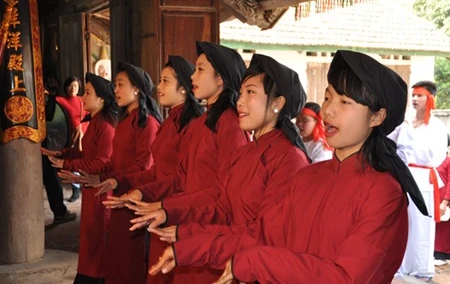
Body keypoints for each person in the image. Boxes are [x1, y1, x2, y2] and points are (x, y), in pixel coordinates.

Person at [149, 50, 428, 284]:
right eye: (329, 97)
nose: (329, 110)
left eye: (345, 102)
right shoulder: (309, 177)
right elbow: (263, 234)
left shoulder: (383, 192)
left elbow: (343, 277)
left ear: (377, 116)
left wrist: (255, 261)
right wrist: (190, 247)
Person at [130, 53, 310, 272]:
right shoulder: (245, 152)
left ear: (278, 103)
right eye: (241, 92)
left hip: (249, 266)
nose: (241, 101)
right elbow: (222, 207)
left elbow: (266, 236)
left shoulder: (289, 159)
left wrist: (195, 244)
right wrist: (175, 220)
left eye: (251, 92)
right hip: (227, 255)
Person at [115, 41, 249, 284]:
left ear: (220, 79)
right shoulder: (200, 124)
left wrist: (168, 208)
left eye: (200, 69)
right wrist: (142, 192)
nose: (192, 76)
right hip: (186, 222)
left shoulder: (230, 125)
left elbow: (225, 195)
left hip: (207, 231)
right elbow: (180, 178)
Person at [102, 55, 204, 284]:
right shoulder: (170, 121)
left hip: (176, 209)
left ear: (184, 89)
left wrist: (142, 192)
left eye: (166, 81)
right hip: (159, 206)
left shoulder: (192, 125)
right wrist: (123, 184)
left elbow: (181, 178)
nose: (159, 86)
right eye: (160, 80)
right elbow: (156, 171)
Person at [59, 62, 161, 284]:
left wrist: (114, 179)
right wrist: (96, 177)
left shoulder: (148, 124)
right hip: (118, 198)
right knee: (116, 259)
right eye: (114, 84)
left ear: (136, 89)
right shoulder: (124, 122)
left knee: (131, 262)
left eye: (120, 84)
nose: (115, 90)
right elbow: (113, 163)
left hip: (135, 201)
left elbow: (145, 167)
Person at [43, 72, 118, 284]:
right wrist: (64, 154)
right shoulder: (95, 123)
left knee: (96, 244)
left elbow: (102, 163)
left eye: (88, 93)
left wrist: (69, 164)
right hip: (91, 190)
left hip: (101, 193)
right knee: (89, 242)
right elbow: (88, 156)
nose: (83, 98)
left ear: (101, 99)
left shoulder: (106, 127)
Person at [389, 81, 448, 281]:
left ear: (429, 99)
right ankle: (400, 265)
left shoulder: (437, 127)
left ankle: (422, 268)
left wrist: (410, 149)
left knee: (422, 224)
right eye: (413, 95)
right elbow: (392, 144)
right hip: (403, 175)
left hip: (424, 178)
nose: (414, 99)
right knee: (403, 222)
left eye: (419, 95)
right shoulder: (404, 122)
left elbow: (437, 155)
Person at [42, 76, 77, 226]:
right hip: (40, 147)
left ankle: (60, 212)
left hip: (42, 146)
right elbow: (49, 115)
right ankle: (60, 212)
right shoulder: (45, 97)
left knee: (51, 179)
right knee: (51, 179)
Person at [56, 76, 89, 202]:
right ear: (66, 87)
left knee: (85, 162)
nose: (73, 88)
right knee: (74, 163)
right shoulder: (62, 101)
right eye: (70, 85)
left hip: (84, 134)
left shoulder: (82, 100)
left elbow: (90, 115)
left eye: (75, 86)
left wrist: (84, 129)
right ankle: (75, 190)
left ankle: (85, 186)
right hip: (71, 137)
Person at [435, 135, 450, 265]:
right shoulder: (438, 158)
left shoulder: (448, 159)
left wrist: (445, 201)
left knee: (444, 228)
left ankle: (443, 254)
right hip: (437, 196)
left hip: (444, 198)